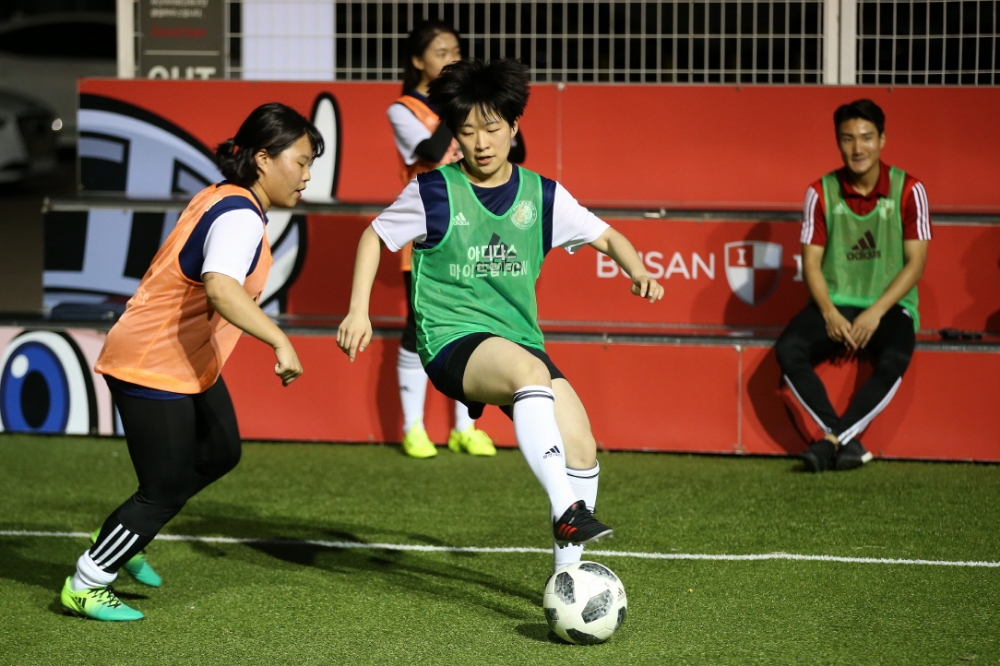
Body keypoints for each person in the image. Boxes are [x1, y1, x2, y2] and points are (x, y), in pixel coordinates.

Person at [338, 58, 663, 571]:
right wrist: (359, 310)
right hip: (451, 341)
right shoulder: (434, 191)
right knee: (529, 373)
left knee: (581, 445)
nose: (481, 142)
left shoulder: (543, 196)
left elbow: (608, 236)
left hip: (517, 343)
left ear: (513, 126)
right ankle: (565, 508)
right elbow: (373, 236)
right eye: (466, 131)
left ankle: (569, 576)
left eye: (491, 128)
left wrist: (638, 270)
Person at [59, 103, 322, 620]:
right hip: (150, 362)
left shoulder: (227, 197)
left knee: (221, 451)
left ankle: (121, 532)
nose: (308, 176)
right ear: (264, 159)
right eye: (303, 161)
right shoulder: (241, 214)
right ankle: (88, 580)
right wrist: (280, 341)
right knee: (164, 489)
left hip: (183, 360)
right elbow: (222, 289)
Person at [387, 20, 520, 459]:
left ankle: (465, 426)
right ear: (418, 60)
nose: (452, 59)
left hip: (476, 229)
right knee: (418, 328)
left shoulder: (477, 109)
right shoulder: (403, 109)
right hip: (430, 232)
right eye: (442, 52)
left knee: (475, 322)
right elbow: (427, 152)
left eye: (456, 51)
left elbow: (517, 153)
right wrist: (454, 105)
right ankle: (413, 427)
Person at [776, 99, 931, 473]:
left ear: (882, 140)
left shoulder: (909, 190)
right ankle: (845, 439)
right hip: (837, 303)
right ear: (837, 142)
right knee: (788, 349)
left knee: (894, 358)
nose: (857, 148)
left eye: (866, 137)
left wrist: (876, 312)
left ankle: (830, 440)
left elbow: (916, 264)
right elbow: (811, 262)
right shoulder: (821, 191)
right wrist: (828, 311)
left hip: (890, 305)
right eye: (847, 139)